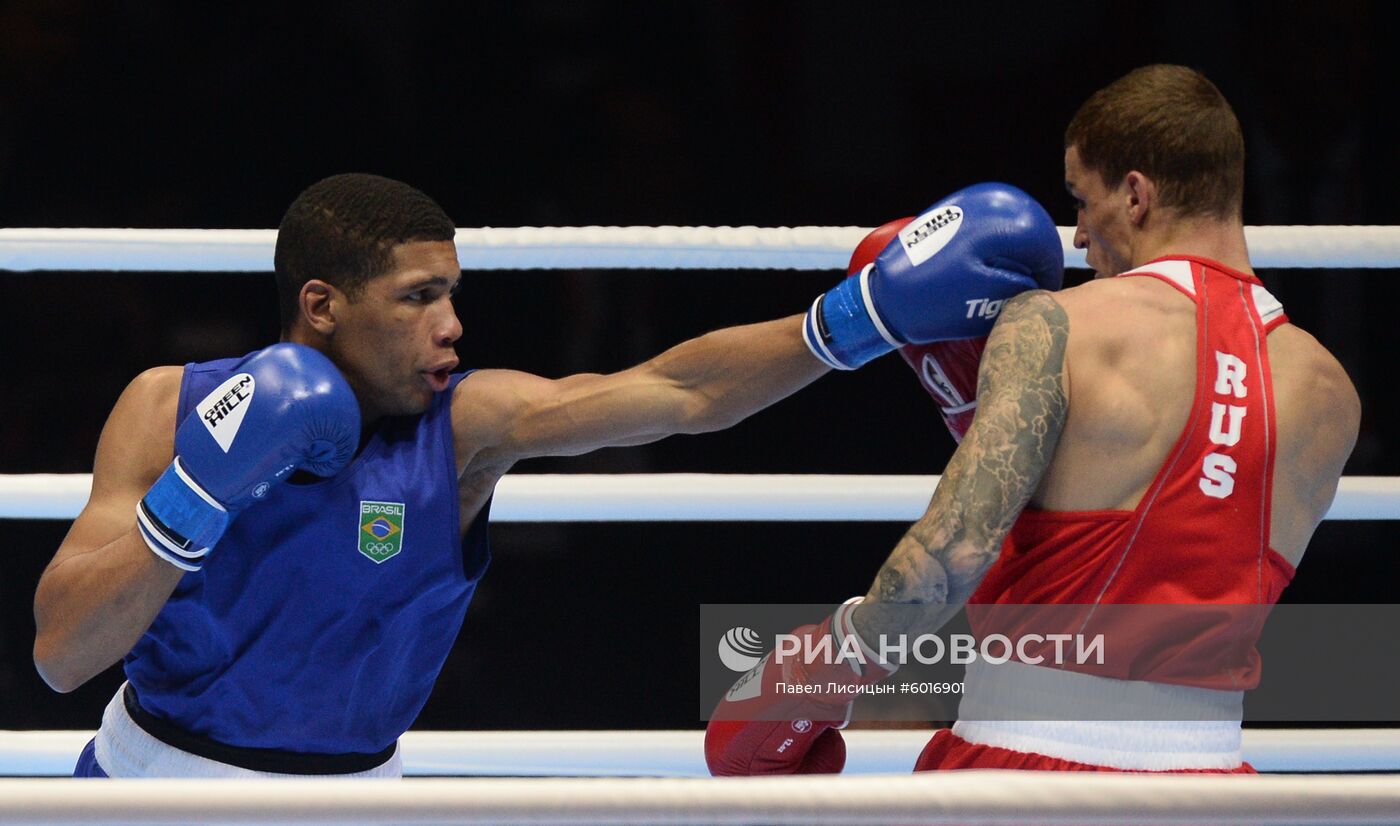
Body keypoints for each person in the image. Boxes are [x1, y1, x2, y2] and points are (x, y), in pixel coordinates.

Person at [32, 173, 1062, 777]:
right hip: (147, 783)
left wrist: (852, 321)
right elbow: (62, 656)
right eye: (418, 298)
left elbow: (674, 393)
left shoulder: (462, 426)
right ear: (321, 304)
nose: (452, 325)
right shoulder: (167, 405)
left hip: (353, 795)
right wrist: (194, 499)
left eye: (454, 293)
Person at [706, 64, 1360, 776]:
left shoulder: (1059, 324)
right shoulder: (1332, 392)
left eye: (1082, 200)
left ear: (1136, 195)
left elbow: (953, 553)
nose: (1078, 236)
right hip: (1209, 785)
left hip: (1022, 768)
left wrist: (824, 668)